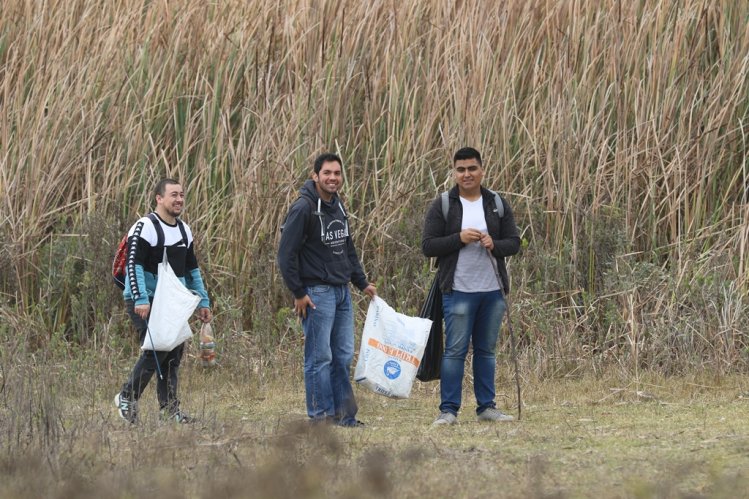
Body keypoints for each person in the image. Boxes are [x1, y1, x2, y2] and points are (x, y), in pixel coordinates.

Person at [422, 147, 520, 425]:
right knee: (455, 351)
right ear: (454, 173)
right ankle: (448, 410)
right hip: (458, 291)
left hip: (493, 291)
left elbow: (514, 243)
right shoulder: (443, 204)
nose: (467, 174)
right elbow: (428, 246)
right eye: (461, 169)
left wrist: (495, 245)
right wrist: (459, 238)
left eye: (472, 168)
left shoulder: (497, 203)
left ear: (482, 170)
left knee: (486, 351)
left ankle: (486, 408)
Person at [278, 153, 376, 427]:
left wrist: (361, 282)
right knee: (320, 357)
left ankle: (344, 416)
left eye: (337, 173)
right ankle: (319, 417)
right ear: (315, 176)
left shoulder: (338, 205)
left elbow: (347, 247)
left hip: (342, 291)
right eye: (327, 173)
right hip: (316, 293)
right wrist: (298, 292)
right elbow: (286, 255)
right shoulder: (303, 208)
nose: (333, 178)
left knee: (342, 356)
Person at [114, 178, 212, 424]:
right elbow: (133, 265)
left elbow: (192, 271)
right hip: (144, 300)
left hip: (171, 304)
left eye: (181, 195)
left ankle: (170, 410)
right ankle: (126, 397)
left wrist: (203, 302)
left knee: (174, 352)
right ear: (159, 198)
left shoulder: (184, 231)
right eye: (173, 195)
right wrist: (141, 298)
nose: (179, 199)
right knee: (156, 350)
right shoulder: (145, 226)